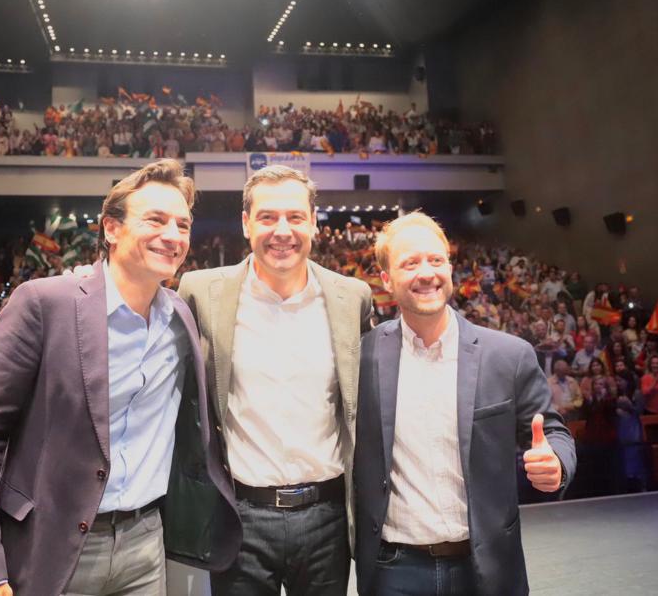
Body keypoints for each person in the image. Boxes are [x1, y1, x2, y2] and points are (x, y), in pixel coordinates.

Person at [0, 159, 240, 596]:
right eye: (155, 220)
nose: (173, 236)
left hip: (145, 542)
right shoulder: (44, 305)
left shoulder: (180, 317)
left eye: (183, 224)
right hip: (52, 541)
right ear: (111, 229)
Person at [354, 212, 575, 596]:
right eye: (410, 263)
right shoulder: (361, 357)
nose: (427, 273)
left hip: (486, 566)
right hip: (394, 571)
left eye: (436, 260)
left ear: (450, 267)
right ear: (386, 280)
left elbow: (554, 431)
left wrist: (556, 461)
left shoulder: (509, 356)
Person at [178, 165, 372, 596]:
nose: (282, 230)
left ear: (314, 224)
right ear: (246, 223)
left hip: (327, 518)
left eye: (295, 217)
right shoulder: (200, 293)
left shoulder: (351, 297)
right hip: (240, 514)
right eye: (267, 217)